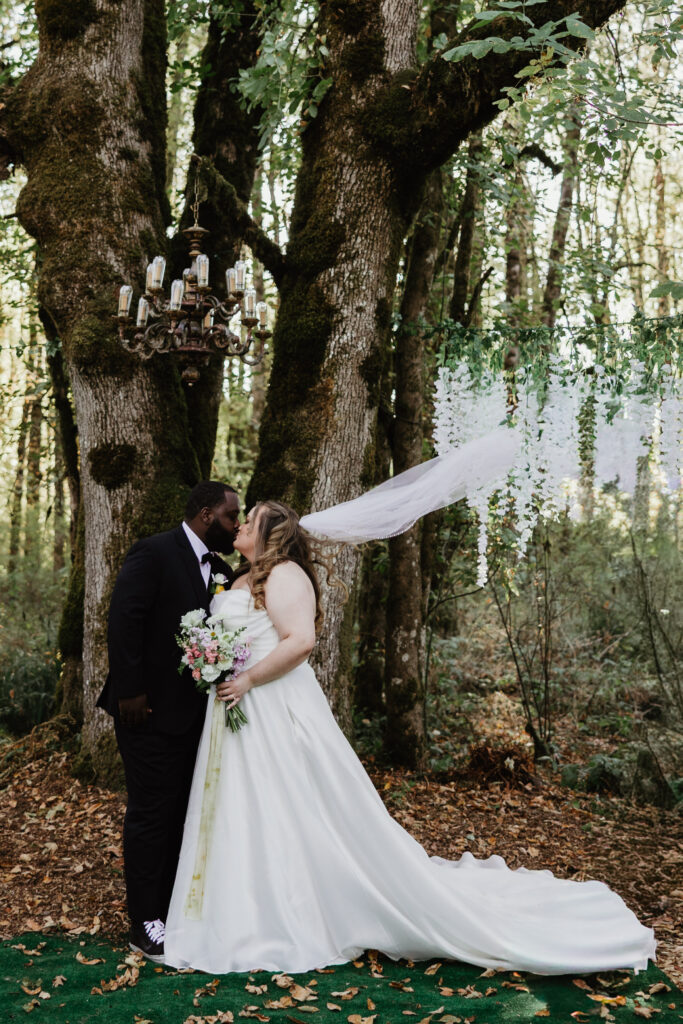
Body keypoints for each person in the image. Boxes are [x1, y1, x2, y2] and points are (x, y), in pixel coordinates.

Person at [164, 500, 656, 976]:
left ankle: (289, 914)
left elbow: (301, 642)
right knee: (241, 809)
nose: (241, 525)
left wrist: (247, 679)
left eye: (250, 520)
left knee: (286, 805)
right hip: (235, 709)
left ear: (270, 534)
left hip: (271, 706)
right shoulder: (242, 578)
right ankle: (237, 911)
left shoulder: (286, 575)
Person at [97, 480, 240, 962]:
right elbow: (123, 619)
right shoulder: (154, 552)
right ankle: (143, 924)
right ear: (205, 514)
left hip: (195, 719)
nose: (236, 524)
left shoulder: (221, 571)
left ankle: (170, 911)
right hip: (147, 712)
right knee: (151, 815)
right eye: (230, 516)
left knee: (181, 814)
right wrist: (129, 691)